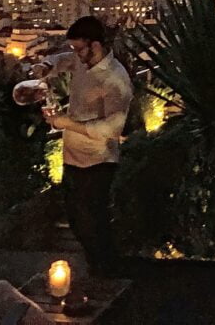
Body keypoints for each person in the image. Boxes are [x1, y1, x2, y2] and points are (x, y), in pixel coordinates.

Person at [39, 16, 133, 278]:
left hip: (98, 161)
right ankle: (97, 266)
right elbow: (63, 60)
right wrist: (47, 65)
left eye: (80, 48)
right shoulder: (82, 61)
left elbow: (113, 128)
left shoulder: (115, 78)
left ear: (96, 45)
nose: (76, 54)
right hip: (72, 157)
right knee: (77, 221)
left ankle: (107, 271)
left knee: (95, 222)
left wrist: (66, 123)